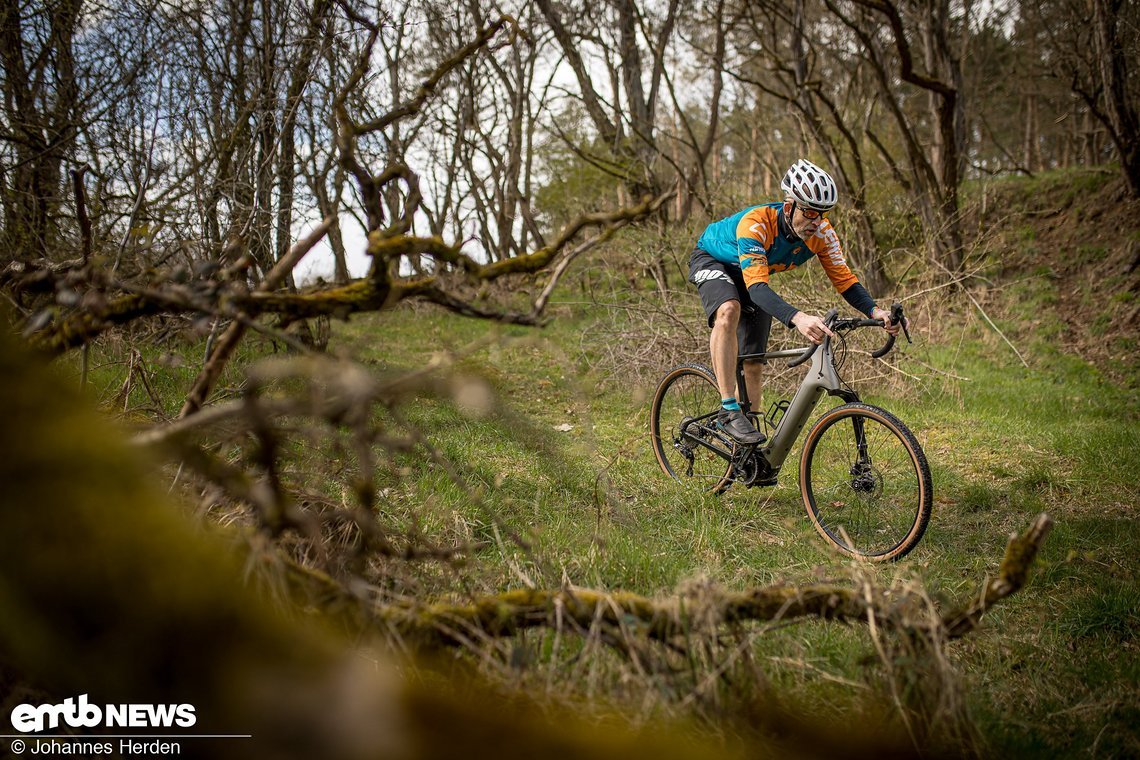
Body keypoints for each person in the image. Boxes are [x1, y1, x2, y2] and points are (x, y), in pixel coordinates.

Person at [688, 158, 901, 445]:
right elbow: (757, 289)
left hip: (753, 275)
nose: (816, 221)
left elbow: (845, 280)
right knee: (728, 309)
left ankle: (747, 443)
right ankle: (728, 409)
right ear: (789, 207)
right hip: (715, 260)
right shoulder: (757, 224)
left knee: (753, 361)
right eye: (811, 212)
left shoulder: (822, 234)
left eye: (823, 214)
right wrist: (799, 318)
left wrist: (875, 311)